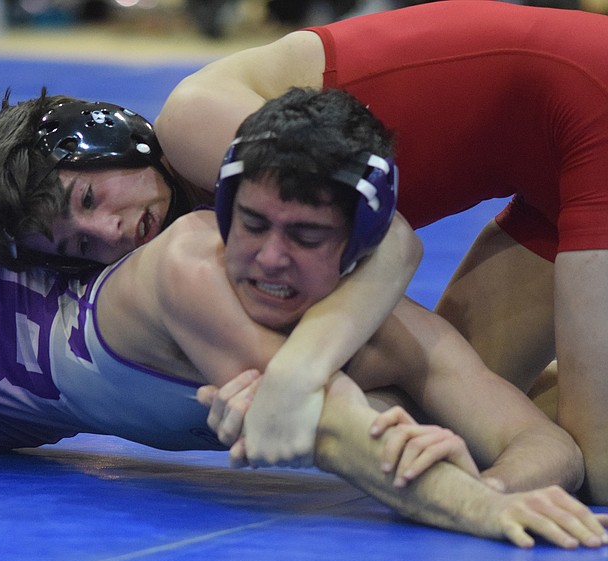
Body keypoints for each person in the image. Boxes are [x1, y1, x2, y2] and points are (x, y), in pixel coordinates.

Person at [0, 87, 606, 548]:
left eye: (302, 239)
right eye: (253, 229)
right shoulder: (191, 255)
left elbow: (548, 447)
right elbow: (332, 430)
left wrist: (498, 476)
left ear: (349, 253)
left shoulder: (397, 335)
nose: (267, 258)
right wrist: (486, 507)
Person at [154, 0, 608, 504]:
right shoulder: (186, 235)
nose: (109, 228)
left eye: (88, 201)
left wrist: (294, 375)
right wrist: (478, 496)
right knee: (447, 407)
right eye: (77, 244)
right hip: (550, 158)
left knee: (600, 467)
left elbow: (393, 240)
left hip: (594, 98)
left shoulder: (190, 122)